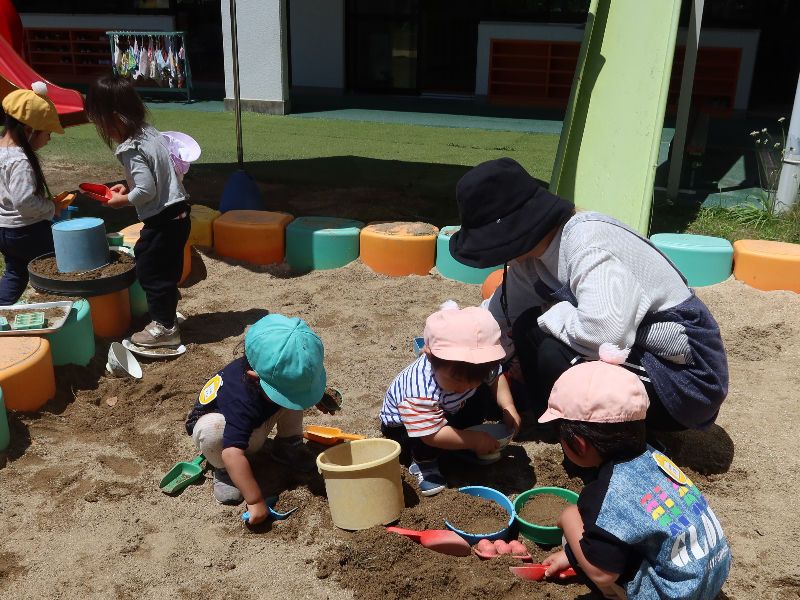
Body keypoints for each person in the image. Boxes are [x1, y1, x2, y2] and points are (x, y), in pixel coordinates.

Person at [449, 157, 728, 431]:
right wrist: (451, 351)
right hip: (633, 351)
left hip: (683, 378)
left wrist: (551, 312)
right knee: (526, 326)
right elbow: (501, 317)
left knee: (552, 351)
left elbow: (603, 334)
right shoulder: (531, 257)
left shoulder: (588, 244)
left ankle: (606, 438)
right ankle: (551, 422)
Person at [539, 351, 731, 599]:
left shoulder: (605, 493)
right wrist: (571, 558)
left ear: (578, 443)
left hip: (676, 594)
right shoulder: (656, 458)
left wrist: (568, 517)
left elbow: (601, 573)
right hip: (712, 569)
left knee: (577, 531)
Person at [185, 314, 330, 525]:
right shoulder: (240, 397)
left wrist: (313, 394)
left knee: (290, 396)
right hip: (223, 428)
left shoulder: (271, 372)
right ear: (254, 376)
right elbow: (232, 452)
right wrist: (254, 500)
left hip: (258, 418)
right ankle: (224, 472)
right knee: (213, 432)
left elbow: (296, 382)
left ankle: (287, 445)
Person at [84, 75, 190, 348]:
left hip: (162, 219)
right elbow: (157, 175)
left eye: (101, 122)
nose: (103, 129)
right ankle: (167, 317)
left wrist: (123, 200)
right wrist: (128, 185)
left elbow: (146, 192)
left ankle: (165, 329)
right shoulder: (150, 134)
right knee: (165, 270)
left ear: (115, 117)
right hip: (179, 214)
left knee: (150, 270)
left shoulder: (130, 148)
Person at [380, 302, 522, 496]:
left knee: (480, 392)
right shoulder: (419, 390)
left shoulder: (474, 368)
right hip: (408, 428)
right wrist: (473, 440)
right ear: (430, 357)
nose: (466, 386)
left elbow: (495, 377)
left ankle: (459, 438)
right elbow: (430, 434)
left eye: (475, 379)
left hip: (448, 408)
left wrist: (508, 407)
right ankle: (423, 463)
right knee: (424, 440)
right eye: (457, 380)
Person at [0, 82, 65, 305]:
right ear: (29, 130)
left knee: (16, 273)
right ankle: (59, 307)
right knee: (58, 264)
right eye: (47, 133)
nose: (48, 139)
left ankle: (1, 307)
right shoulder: (20, 161)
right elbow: (23, 200)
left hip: (4, 231)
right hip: (27, 231)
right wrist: (51, 207)